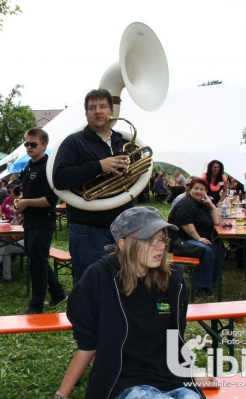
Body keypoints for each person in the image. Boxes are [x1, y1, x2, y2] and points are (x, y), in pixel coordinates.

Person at [56, 207, 209, 399]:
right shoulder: (99, 279)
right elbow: (87, 344)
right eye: (149, 240)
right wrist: (61, 394)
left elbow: (174, 341)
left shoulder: (173, 281)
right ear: (123, 244)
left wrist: (191, 377)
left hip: (172, 379)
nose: (161, 247)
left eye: (162, 239)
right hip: (124, 382)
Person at [52, 89, 132, 286]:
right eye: (92, 108)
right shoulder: (73, 142)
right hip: (88, 228)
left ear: (111, 111)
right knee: (90, 286)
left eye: (103, 107)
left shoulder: (125, 142)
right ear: (86, 113)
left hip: (124, 227)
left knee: (124, 283)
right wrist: (99, 166)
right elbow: (59, 178)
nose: (98, 111)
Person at [15, 128, 67, 314]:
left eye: (33, 144)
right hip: (31, 220)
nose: (28, 147)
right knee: (38, 260)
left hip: (44, 221)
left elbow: (51, 200)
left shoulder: (48, 167)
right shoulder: (29, 166)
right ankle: (59, 293)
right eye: (26, 143)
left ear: (44, 145)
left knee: (37, 264)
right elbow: (27, 192)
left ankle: (36, 306)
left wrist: (26, 203)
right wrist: (23, 209)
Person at [168, 177, 220, 298]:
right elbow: (186, 224)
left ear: (206, 192)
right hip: (181, 241)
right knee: (206, 250)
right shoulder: (186, 203)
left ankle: (211, 281)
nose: (199, 191)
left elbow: (216, 221)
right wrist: (198, 238)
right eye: (196, 188)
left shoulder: (202, 203)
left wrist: (212, 206)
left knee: (218, 248)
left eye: (202, 189)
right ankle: (201, 288)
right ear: (190, 189)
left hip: (193, 239)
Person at [0, 181, 24, 283]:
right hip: (16, 235)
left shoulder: (26, 212)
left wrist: (12, 237)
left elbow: (23, 232)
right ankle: (4, 275)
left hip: (29, 241)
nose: (8, 193)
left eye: (10, 191)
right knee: (3, 244)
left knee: (3, 242)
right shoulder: (17, 212)